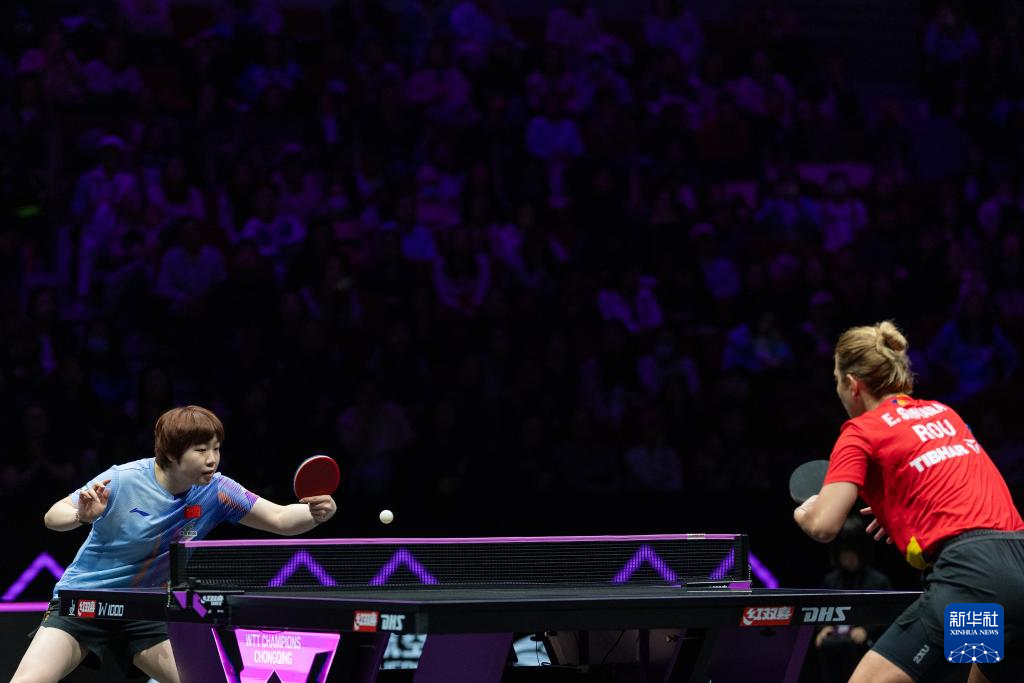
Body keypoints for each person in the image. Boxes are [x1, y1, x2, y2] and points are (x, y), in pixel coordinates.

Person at [12, 405, 337, 683]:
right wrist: (81, 516)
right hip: (86, 601)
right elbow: (53, 516)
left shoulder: (217, 491)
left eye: (216, 448)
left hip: (145, 610)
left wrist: (315, 514)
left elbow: (280, 519)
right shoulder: (123, 479)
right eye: (201, 450)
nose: (212, 459)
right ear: (170, 452)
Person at [794, 321, 1024, 683]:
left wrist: (805, 510)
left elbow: (824, 526)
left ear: (853, 385)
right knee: (976, 673)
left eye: (836, 380)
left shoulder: (861, 431)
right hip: (1014, 569)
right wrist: (902, 512)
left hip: (970, 578)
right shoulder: (943, 413)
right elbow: (952, 488)